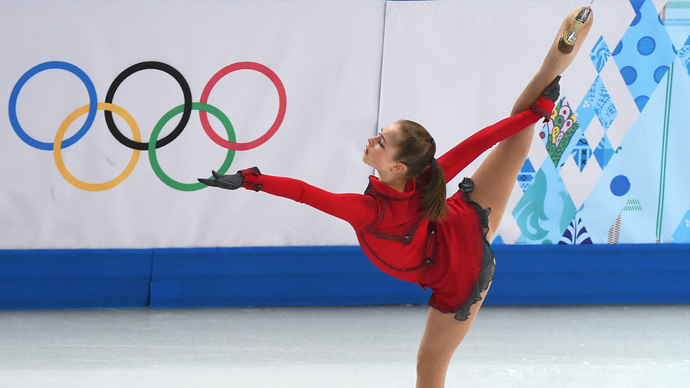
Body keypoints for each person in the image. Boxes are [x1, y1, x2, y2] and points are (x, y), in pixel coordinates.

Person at [199, 8, 592, 388]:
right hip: (459, 224)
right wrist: (534, 114)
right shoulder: (427, 177)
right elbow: (480, 142)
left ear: (399, 167)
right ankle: (550, 72)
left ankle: (547, 76)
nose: (372, 140)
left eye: (382, 141)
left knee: (429, 369)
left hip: (459, 271)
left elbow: (305, 194)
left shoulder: (368, 210)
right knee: (511, 145)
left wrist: (251, 180)